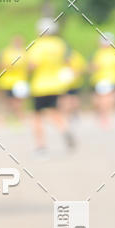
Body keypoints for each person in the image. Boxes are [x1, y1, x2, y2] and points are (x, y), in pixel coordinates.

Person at [26, 18, 75, 153]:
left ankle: (41, 146)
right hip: (56, 85)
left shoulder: (36, 45)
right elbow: (67, 61)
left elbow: (32, 65)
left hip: (40, 86)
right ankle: (64, 129)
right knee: (54, 111)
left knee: (37, 117)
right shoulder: (59, 44)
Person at [90, 32, 115, 128]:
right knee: (98, 101)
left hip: (113, 79)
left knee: (109, 100)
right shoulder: (97, 53)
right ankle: (100, 114)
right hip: (99, 79)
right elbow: (92, 66)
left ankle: (106, 118)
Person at [0, 34, 29, 121]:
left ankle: (19, 116)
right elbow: (0, 65)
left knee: (18, 101)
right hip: (8, 81)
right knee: (10, 101)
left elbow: (29, 66)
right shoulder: (6, 52)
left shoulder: (25, 52)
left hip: (20, 81)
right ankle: (13, 116)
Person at [58, 47, 87, 121]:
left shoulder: (76, 57)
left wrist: (76, 73)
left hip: (74, 83)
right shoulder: (59, 56)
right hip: (63, 83)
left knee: (73, 100)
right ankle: (66, 115)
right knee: (65, 99)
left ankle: (73, 113)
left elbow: (82, 68)